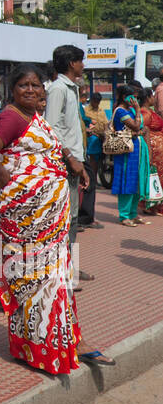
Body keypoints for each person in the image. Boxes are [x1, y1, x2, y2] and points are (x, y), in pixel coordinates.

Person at [0, 65, 112, 372]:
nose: (31, 90)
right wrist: (5, 175)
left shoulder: (32, 118)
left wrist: (72, 161)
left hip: (48, 220)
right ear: (13, 90)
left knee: (51, 279)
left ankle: (58, 342)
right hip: (28, 222)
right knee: (42, 281)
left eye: (36, 85)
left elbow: (48, 147)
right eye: (24, 85)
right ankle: (50, 347)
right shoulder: (11, 117)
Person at [45, 45, 93, 280]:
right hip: (65, 162)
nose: (83, 65)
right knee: (66, 219)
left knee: (72, 219)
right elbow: (52, 128)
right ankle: (64, 271)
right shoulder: (58, 89)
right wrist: (71, 158)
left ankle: (70, 267)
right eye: (80, 61)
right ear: (71, 63)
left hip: (74, 161)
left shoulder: (71, 89)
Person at [110, 83, 150, 226]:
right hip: (126, 151)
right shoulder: (121, 111)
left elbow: (140, 129)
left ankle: (133, 213)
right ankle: (124, 215)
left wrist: (138, 129)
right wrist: (138, 111)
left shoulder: (129, 110)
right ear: (123, 97)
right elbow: (136, 126)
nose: (134, 100)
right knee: (126, 181)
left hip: (136, 149)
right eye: (131, 96)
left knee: (136, 181)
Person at [79, 91, 107, 230]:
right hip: (89, 140)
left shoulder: (101, 110)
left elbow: (105, 123)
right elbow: (86, 122)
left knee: (95, 162)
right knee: (90, 167)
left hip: (98, 138)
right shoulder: (84, 109)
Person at [139, 87, 163, 215]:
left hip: (158, 151)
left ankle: (156, 205)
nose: (154, 98)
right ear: (148, 98)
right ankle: (153, 206)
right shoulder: (145, 114)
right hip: (153, 150)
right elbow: (144, 131)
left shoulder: (149, 111)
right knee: (155, 178)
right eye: (152, 96)